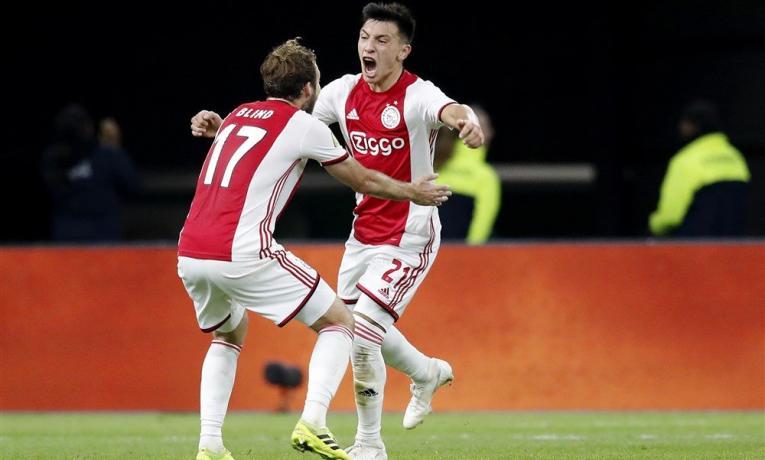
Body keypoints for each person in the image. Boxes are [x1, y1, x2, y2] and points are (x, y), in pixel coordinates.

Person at [190, 5, 484, 458]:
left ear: (403, 51)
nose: (370, 46)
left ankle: (369, 444)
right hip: (362, 234)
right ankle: (425, 372)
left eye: (382, 40)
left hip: (409, 235)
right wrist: (227, 128)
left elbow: (449, 109)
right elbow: (285, 125)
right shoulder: (341, 93)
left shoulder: (417, 94)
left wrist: (466, 121)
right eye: (365, 37)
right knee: (355, 329)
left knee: (359, 332)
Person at [649, 100, 750, 237]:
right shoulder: (736, 157)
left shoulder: (686, 160)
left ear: (693, 126)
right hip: (733, 246)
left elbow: (669, 218)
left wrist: (653, 225)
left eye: (684, 123)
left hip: (695, 246)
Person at [41, 105, 139, 242]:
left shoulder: (107, 155)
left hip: (101, 238)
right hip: (73, 239)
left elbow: (132, 186)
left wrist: (114, 152)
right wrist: (114, 150)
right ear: (88, 128)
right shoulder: (54, 159)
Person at [434, 105, 500, 244]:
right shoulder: (486, 177)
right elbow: (479, 234)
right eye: (486, 128)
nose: (491, 133)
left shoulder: (435, 165)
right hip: (462, 254)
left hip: (429, 252)